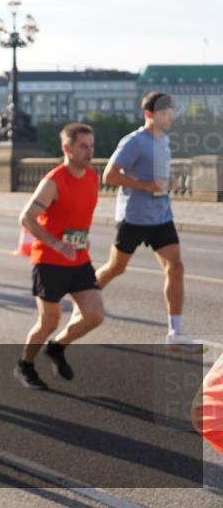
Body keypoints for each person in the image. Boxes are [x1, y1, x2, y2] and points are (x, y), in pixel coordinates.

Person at [95, 92, 204, 353]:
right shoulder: (134, 142)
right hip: (134, 217)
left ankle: (175, 332)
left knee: (175, 267)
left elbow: (158, 180)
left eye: (171, 112)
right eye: (164, 113)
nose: (170, 117)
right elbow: (109, 175)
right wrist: (145, 185)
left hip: (161, 217)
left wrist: (170, 184)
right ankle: (84, 298)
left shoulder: (164, 141)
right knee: (116, 268)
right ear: (149, 115)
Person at [14, 123, 104, 390]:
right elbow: (26, 218)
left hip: (79, 259)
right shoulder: (53, 182)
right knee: (49, 322)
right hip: (49, 262)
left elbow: (76, 214)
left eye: (91, 146)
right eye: (83, 146)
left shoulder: (92, 177)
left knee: (94, 315)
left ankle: (57, 347)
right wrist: (55, 244)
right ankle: (25, 364)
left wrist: (79, 238)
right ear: (67, 148)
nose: (89, 152)